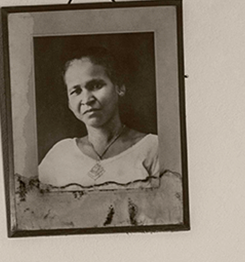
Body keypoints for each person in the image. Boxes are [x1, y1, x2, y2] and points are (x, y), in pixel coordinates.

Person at [38, 46, 159, 190]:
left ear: (119, 87)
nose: (87, 99)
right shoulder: (60, 155)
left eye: (95, 85)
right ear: (69, 103)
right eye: (76, 91)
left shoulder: (152, 148)